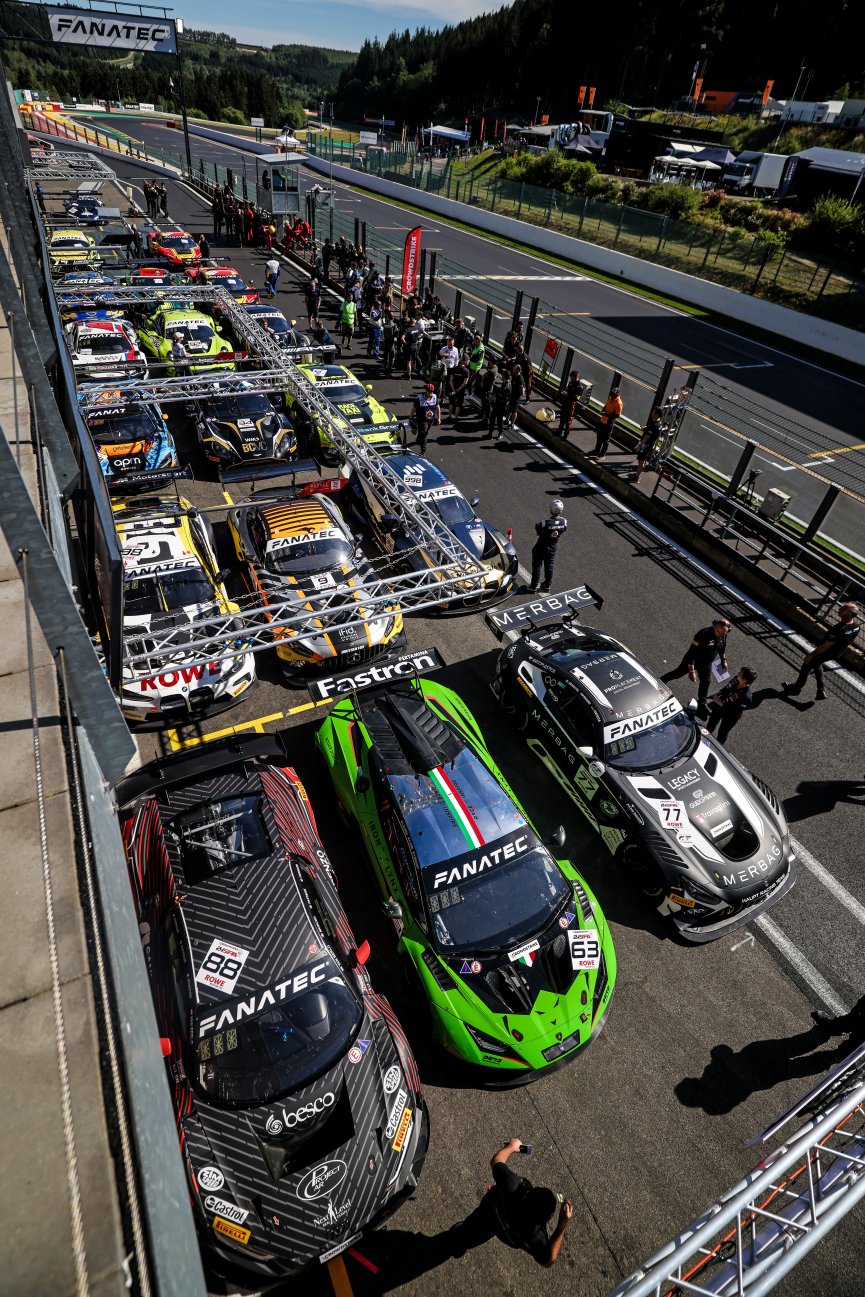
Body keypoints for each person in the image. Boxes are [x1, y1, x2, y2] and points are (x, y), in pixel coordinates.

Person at [447, 1138, 573, 1267]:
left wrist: (511, 1147)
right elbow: (548, 1262)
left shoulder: (511, 1185)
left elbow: (496, 1161)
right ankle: (461, 1244)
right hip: (507, 1234)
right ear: (545, 1220)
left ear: (528, 1194)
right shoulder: (536, 1237)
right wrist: (562, 1223)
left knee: (473, 1228)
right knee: (488, 1231)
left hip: (490, 1212)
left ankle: (457, 1243)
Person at [783, 603, 860, 701]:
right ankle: (820, 690)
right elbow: (852, 640)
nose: (839, 608)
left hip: (826, 652)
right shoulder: (856, 626)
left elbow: (826, 645)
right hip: (837, 653)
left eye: (842, 608)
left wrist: (811, 655)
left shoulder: (837, 629)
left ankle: (796, 688)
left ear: (847, 614)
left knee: (807, 665)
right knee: (817, 664)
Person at [661, 616, 731, 715]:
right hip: (693, 661)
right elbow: (691, 653)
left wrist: (723, 660)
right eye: (720, 633)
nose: (721, 635)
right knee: (677, 674)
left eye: (724, 633)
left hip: (706, 663)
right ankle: (659, 682)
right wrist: (691, 671)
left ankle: (702, 705)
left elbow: (722, 648)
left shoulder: (723, 635)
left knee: (705, 682)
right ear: (716, 627)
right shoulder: (703, 634)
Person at [705, 667, 756, 745]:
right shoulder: (736, 679)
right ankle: (704, 739)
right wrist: (717, 694)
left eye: (740, 674)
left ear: (744, 680)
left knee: (722, 733)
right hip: (719, 707)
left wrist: (720, 702)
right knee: (710, 725)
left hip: (730, 716)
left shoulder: (746, 696)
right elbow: (726, 688)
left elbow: (735, 709)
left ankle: (717, 747)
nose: (737, 674)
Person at [528, 500, 567, 593]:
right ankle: (547, 585)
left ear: (551, 510)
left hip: (541, 546)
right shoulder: (564, 522)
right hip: (552, 547)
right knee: (549, 566)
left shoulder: (545, 522)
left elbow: (537, 527)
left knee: (537, 565)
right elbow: (563, 529)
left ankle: (533, 587)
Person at [409, 382, 441, 455]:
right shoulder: (419, 399)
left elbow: (438, 407)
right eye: (429, 392)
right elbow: (413, 408)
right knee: (424, 434)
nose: (430, 394)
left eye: (432, 392)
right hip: (422, 420)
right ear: (426, 391)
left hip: (431, 420)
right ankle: (423, 449)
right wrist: (411, 417)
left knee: (423, 432)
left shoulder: (434, 397)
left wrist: (439, 418)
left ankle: (418, 438)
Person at [634, 405, 663, 482]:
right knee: (642, 460)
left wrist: (640, 446)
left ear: (656, 414)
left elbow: (647, 436)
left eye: (653, 411)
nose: (652, 412)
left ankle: (636, 477)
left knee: (641, 461)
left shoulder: (654, 425)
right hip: (649, 445)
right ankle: (637, 473)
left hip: (645, 445)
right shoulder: (659, 423)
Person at [593, 385, 623, 460]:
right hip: (603, 420)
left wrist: (607, 415)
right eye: (612, 393)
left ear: (617, 394)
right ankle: (596, 450)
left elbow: (617, 415)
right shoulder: (610, 398)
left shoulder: (619, 403)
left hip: (609, 422)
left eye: (614, 394)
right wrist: (603, 410)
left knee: (605, 439)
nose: (612, 394)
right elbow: (606, 405)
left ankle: (602, 454)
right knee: (599, 436)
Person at [484, 370, 511, 442]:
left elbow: (504, 398)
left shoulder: (507, 387)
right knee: (493, 418)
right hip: (498, 405)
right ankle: (490, 434)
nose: (501, 376)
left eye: (502, 375)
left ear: (504, 376)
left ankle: (500, 433)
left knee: (499, 420)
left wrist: (495, 398)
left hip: (501, 406)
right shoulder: (505, 383)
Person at [557, 370, 582, 439]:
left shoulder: (579, 387)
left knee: (568, 420)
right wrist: (564, 392)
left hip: (571, 404)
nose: (571, 379)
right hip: (565, 402)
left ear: (576, 377)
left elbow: (576, 398)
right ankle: (559, 431)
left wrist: (568, 394)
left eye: (572, 378)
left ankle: (565, 435)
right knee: (562, 417)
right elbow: (567, 390)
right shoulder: (571, 383)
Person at [447, 353, 469, 423]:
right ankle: (456, 417)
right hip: (460, 390)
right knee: (459, 404)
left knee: (451, 402)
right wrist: (458, 390)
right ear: (465, 361)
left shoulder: (454, 369)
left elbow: (450, 381)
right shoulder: (466, 371)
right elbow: (465, 382)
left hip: (453, 389)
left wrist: (453, 389)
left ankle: (449, 416)